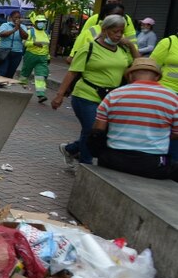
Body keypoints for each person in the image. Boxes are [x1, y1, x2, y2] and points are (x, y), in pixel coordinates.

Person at [53, 14, 138, 168]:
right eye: (115, 31)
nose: (119, 35)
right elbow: (72, 72)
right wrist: (59, 96)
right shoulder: (89, 48)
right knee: (92, 129)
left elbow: (138, 64)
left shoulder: (122, 50)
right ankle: (86, 166)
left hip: (109, 98)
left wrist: (131, 46)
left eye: (121, 32)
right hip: (86, 95)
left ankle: (70, 149)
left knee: (101, 131)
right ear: (105, 30)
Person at [91, 58, 178, 181]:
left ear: (130, 75)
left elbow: (98, 131)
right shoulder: (173, 99)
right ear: (157, 76)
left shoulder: (113, 95)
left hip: (113, 159)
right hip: (152, 164)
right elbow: (175, 134)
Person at [150, 28, 178, 160]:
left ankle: (172, 166)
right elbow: (152, 67)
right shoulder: (169, 43)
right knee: (161, 129)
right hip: (165, 93)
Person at [19, 13, 52, 103]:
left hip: (42, 58)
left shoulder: (46, 33)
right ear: (35, 23)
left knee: (41, 76)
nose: (42, 24)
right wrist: (33, 43)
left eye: (43, 22)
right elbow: (24, 43)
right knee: (25, 73)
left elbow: (47, 46)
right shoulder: (30, 32)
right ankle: (21, 87)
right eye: (40, 22)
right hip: (31, 55)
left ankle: (41, 94)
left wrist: (48, 56)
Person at [0, 10, 28, 78]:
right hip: (4, 51)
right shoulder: (5, 25)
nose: (17, 19)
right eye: (15, 17)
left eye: (19, 17)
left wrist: (19, 28)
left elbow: (25, 37)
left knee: (10, 73)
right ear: (10, 18)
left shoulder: (23, 26)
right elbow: (1, 34)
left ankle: (5, 85)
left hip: (17, 52)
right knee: (2, 71)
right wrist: (14, 30)